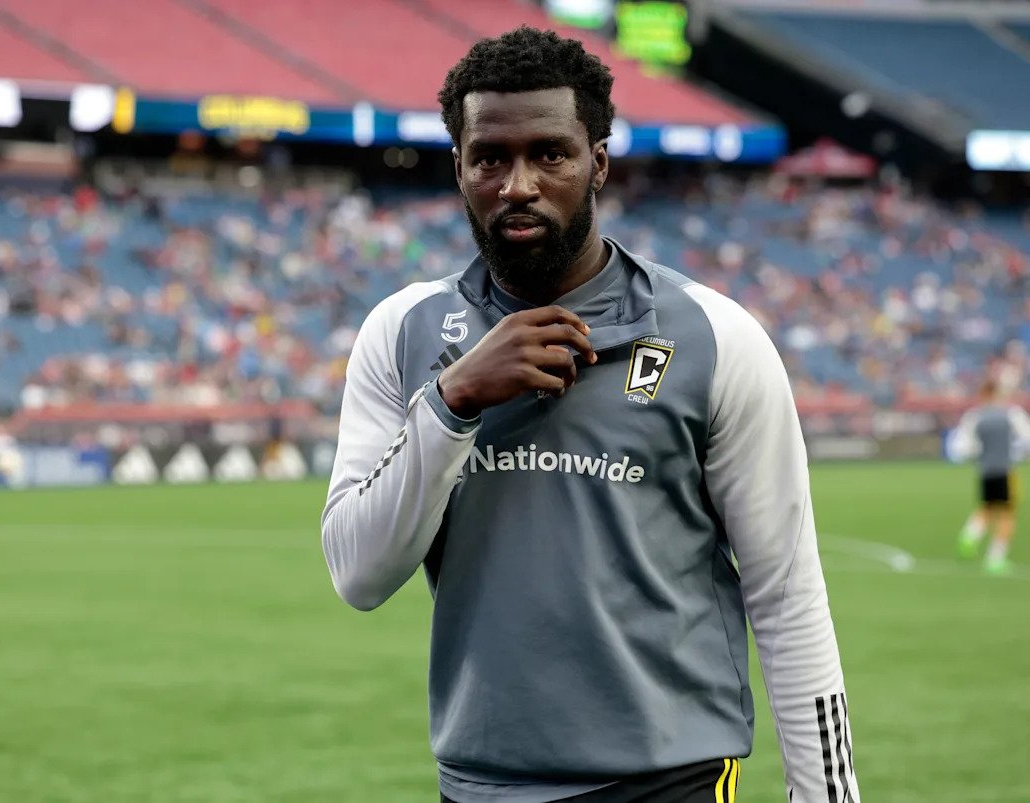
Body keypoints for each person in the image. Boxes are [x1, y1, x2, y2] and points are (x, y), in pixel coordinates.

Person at [321, 26, 860, 803]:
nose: (518, 185)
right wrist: (452, 401)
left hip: (667, 782)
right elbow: (358, 574)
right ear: (459, 167)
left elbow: (787, 593)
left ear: (597, 162)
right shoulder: (403, 332)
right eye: (490, 158)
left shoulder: (717, 337)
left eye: (550, 154)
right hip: (480, 784)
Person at [948, 378, 1030, 575]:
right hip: (1005, 469)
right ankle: (995, 558)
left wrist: (979, 455)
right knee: (1007, 514)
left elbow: (962, 448)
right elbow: (1027, 438)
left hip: (985, 470)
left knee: (988, 507)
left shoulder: (975, 416)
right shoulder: (1011, 414)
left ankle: (970, 535)